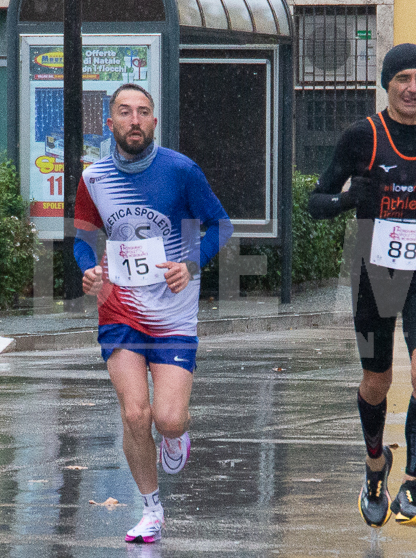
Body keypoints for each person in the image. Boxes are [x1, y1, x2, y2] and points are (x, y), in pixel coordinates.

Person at [308, 43, 416, 530]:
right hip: (373, 276)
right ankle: (374, 466)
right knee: (377, 382)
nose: (412, 88)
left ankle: (412, 484)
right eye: (403, 78)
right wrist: (348, 199)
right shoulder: (361, 136)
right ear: (387, 84)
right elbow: (316, 202)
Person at [73, 83, 233, 543]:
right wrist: (89, 271)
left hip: (172, 314)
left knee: (168, 418)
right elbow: (83, 238)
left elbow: (220, 225)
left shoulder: (180, 171)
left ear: (154, 122)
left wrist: (190, 264)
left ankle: (176, 435)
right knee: (134, 415)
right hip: (119, 309)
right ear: (110, 123)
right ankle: (151, 510)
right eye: (125, 112)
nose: (134, 120)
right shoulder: (93, 178)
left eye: (143, 112)